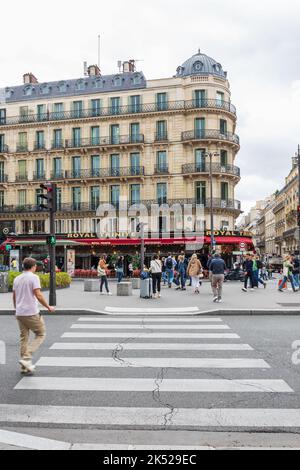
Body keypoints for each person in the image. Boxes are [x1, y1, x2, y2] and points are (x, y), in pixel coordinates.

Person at [13, 258, 55, 374]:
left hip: (20, 312)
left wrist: (16, 309)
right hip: (31, 312)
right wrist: (48, 307)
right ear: (33, 266)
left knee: (24, 338)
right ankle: (26, 358)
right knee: (41, 333)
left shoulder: (17, 278)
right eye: (36, 266)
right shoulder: (34, 277)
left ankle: (24, 366)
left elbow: (14, 296)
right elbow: (38, 295)